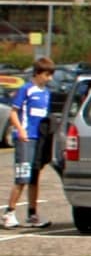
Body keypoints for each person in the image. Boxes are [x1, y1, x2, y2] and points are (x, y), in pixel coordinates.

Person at [4, 57, 58, 229]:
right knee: (22, 177)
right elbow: (13, 113)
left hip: (39, 139)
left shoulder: (46, 93)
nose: (49, 78)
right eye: (46, 75)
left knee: (34, 177)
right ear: (37, 73)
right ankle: (9, 213)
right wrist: (20, 130)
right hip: (26, 138)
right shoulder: (26, 90)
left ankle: (32, 214)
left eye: (51, 75)